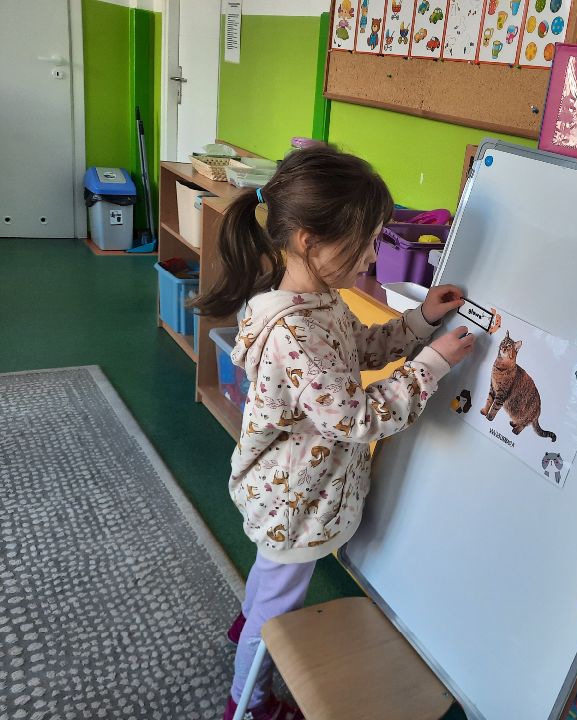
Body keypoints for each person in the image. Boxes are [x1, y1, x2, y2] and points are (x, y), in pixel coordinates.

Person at [192, 146, 475, 720]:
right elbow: (358, 418)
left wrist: (421, 321)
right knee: (278, 606)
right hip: (295, 500)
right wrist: (432, 365)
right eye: (365, 242)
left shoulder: (316, 300)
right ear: (308, 241)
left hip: (290, 489)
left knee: (272, 577)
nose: (372, 256)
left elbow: (360, 349)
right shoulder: (295, 330)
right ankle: (248, 702)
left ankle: (248, 624)